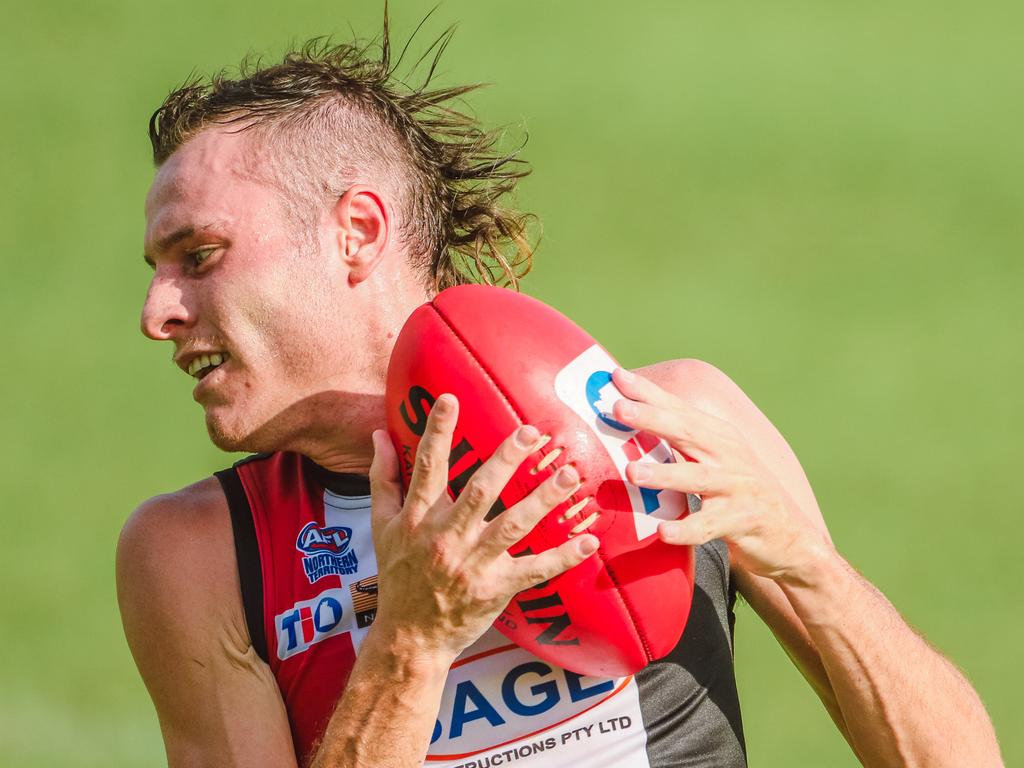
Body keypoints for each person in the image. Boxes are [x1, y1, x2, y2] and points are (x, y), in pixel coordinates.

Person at [117, 25, 1002, 768]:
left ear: (357, 234)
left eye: (199, 257)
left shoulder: (672, 427)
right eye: (158, 273)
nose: (158, 314)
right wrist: (413, 644)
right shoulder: (199, 557)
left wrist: (811, 569)